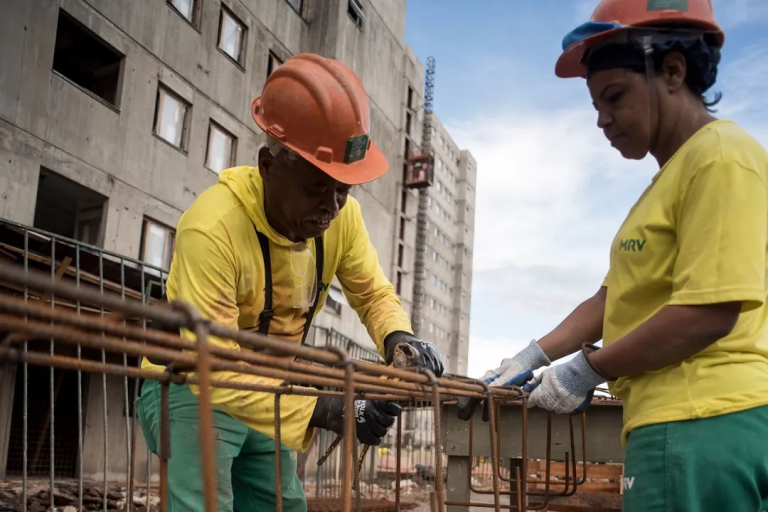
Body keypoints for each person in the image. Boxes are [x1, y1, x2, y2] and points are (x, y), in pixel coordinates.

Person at [459, 1, 768, 510]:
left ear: (672, 70)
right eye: (595, 105)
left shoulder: (720, 158)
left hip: (699, 421)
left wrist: (585, 370)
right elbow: (611, 299)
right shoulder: (666, 183)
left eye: (615, 97)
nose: (602, 119)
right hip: (682, 424)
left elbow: (708, 312)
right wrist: (533, 356)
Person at [135, 53, 444, 511]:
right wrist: (329, 410)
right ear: (268, 165)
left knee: (280, 504)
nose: (332, 205)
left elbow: (373, 292)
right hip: (189, 385)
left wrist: (401, 338)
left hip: (271, 390)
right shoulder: (212, 227)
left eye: (343, 188)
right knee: (203, 503)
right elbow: (215, 369)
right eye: (316, 187)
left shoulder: (342, 217)